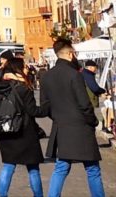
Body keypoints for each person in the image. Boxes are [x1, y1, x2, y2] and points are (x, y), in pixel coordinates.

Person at [39, 39, 105, 197]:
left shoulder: (46, 77)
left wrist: (57, 117)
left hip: (61, 126)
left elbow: (44, 106)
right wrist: (93, 121)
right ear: (70, 54)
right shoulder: (75, 75)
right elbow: (84, 104)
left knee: (61, 167)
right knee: (92, 169)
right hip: (81, 128)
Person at [0, 57, 47, 197]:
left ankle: (1, 194)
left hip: (5, 129)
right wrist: (48, 108)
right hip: (24, 131)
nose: (27, 68)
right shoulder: (23, 88)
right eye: (25, 66)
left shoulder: (1, 86)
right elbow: (33, 111)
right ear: (18, 69)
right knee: (33, 169)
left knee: (9, 165)